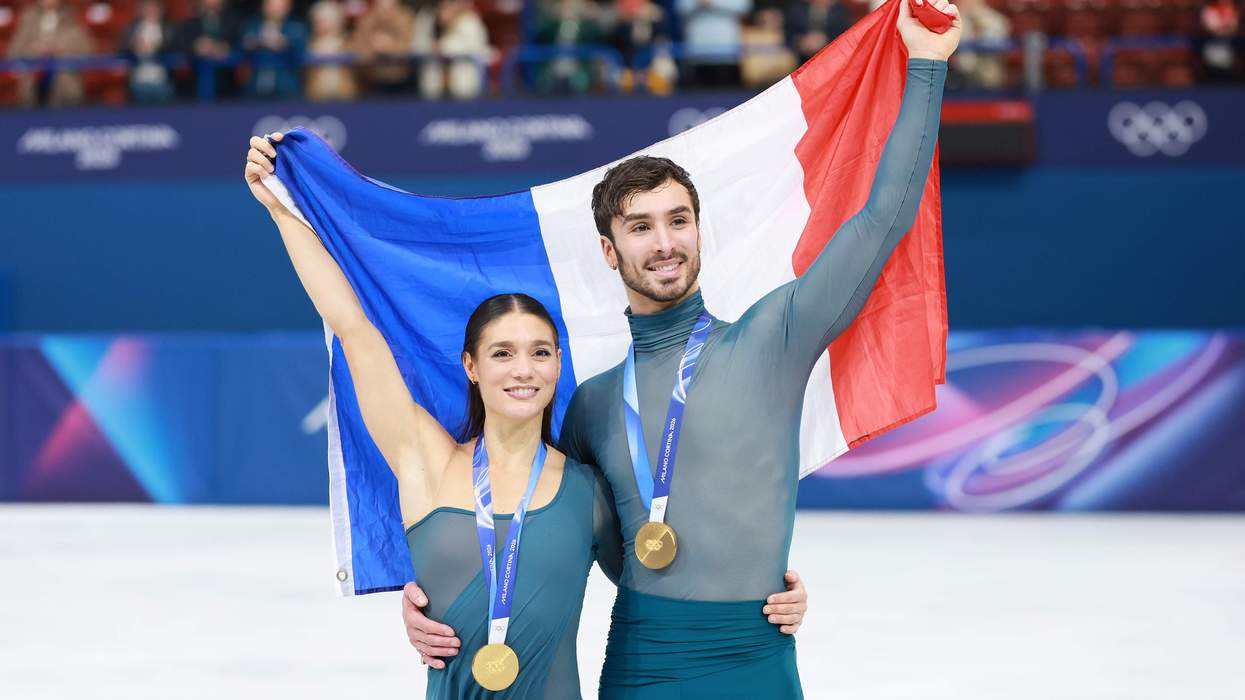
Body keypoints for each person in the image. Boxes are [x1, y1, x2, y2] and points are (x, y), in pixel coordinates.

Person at [402, 0, 961, 696]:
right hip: (642, 663)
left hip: (757, 657)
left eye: (677, 220)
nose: (663, 242)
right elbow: (539, 534)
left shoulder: (773, 339)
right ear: (609, 251)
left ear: (699, 231)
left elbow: (882, 220)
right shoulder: (593, 405)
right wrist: (437, 597)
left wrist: (927, 66)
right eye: (640, 227)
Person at [243, 134, 807, 696]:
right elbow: (354, 330)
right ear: (471, 366)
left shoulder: (586, 491)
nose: (524, 370)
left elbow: (659, 578)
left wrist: (766, 589)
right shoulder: (426, 462)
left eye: (540, 352)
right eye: (502, 353)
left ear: (559, 365)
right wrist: (282, 210)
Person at [6, 0, 92, 107]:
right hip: (33, 80)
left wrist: (60, 48)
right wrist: (34, 49)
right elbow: (14, 50)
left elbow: (85, 49)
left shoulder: (72, 17)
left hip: (64, 80)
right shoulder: (27, 18)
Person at [240, 0, 308, 99]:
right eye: (272, 5)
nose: (276, 10)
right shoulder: (252, 25)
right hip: (255, 86)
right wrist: (253, 43)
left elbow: (302, 51)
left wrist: (284, 44)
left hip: (286, 87)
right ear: (264, 6)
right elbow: (239, 48)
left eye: (280, 6)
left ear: (288, 8)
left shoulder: (297, 26)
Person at [177, 0, 242, 99]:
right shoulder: (191, 23)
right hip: (195, 87)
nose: (212, 2)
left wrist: (221, 47)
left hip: (228, 87)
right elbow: (179, 44)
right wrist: (196, 46)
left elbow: (240, 43)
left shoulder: (233, 21)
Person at [122, 0, 178, 103]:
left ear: (161, 9)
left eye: (154, 7)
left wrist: (156, 48)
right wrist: (134, 47)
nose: (151, 10)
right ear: (141, 9)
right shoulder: (132, 27)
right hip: (138, 81)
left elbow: (176, 47)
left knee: (165, 115)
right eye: (148, 7)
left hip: (163, 81)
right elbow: (122, 47)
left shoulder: (169, 27)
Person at [305, 0, 359, 101]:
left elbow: (358, 63)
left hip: (344, 97)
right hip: (317, 98)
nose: (323, 25)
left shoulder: (348, 43)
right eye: (319, 21)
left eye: (327, 20)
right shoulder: (310, 44)